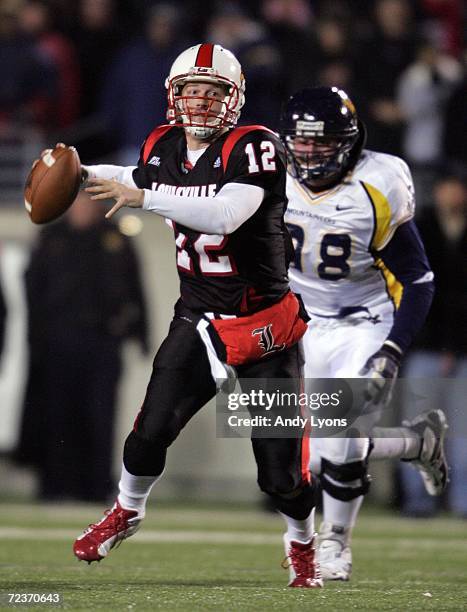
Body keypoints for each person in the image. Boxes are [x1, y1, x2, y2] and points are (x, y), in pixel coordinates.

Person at [63, 44, 321, 588]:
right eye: (191, 90)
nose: (201, 102)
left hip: (263, 326)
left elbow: (224, 214)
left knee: (279, 478)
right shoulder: (162, 145)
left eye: (213, 91)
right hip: (199, 318)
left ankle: (302, 546)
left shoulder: (256, 146)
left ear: (235, 97)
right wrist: (76, 168)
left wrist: (143, 198)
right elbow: (136, 174)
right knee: (147, 432)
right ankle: (127, 511)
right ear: (173, 95)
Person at [280, 86, 448, 581]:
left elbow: (418, 279)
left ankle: (335, 544)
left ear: (350, 142)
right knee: (297, 445)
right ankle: (415, 444)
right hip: (302, 321)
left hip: (364, 320)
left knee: (338, 439)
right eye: (301, 143)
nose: (309, 154)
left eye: (322, 143)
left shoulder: (378, 184)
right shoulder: (268, 175)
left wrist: (392, 348)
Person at [15, 191, 149, 502]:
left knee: (100, 414)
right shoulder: (51, 237)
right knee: (57, 415)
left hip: (102, 341)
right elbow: (33, 291)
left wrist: (141, 334)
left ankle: (95, 485)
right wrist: (35, 339)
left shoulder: (115, 237)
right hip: (58, 342)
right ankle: (55, 485)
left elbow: (135, 287)